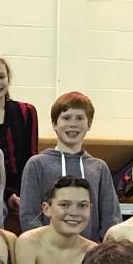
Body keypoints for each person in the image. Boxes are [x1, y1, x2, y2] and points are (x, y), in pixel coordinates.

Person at [18, 91, 119, 242]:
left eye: (79, 118)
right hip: (48, 253)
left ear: (89, 124)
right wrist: (43, 247)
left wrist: (102, 250)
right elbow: (29, 215)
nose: (73, 124)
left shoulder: (99, 168)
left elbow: (111, 217)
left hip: (91, 255)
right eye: (66, 118)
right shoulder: (37, 164)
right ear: (54, 124)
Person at [0, 56, 39, 219]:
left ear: (8, 79)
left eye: (1, 77)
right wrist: (6, 195)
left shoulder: (26, 111)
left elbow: (31, 156)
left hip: (24, 189)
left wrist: (21, 193)